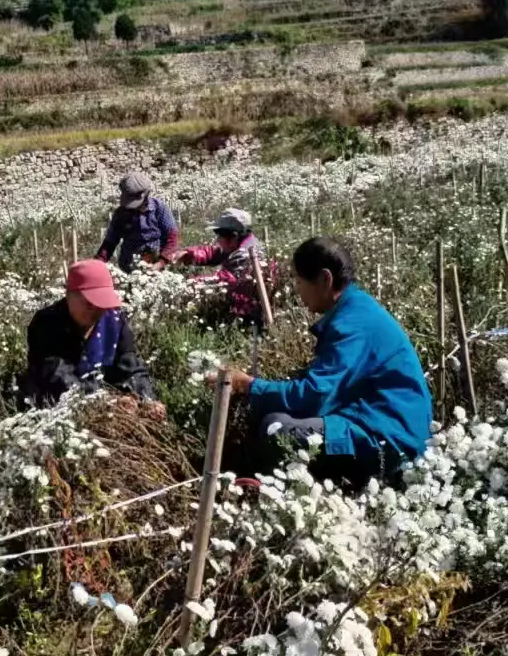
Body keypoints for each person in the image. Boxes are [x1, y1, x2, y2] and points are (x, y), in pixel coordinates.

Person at [214, 236, 431, 488]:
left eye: (299, 280)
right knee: (275, 419)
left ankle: (285, 494)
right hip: (383, 424)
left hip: (388, 438)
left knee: (276, 429)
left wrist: (250, 385)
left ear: (325, 279)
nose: (297, 289)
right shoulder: (357, 309)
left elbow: (314, 396)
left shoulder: (351, 325)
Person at [23, 260, 162, 415]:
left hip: (110, 405)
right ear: (69, 295)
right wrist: (104, 400)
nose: (96, 310)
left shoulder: (115, 321)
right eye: (89, 303)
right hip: (59, 410)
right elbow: (57, 375)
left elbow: (131, 365)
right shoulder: (46, 324)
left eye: (101, 304)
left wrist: (146, 399)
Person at [174, 208, 276, 328]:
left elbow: (219, 281)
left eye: (219, 235)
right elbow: (216, 253)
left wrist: (183, 284)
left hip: (247, 319)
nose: (217, 239)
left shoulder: (244, 256)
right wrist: (189, 254)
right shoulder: (245, 242)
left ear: (234, 236)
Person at [98, 172, 179, 271]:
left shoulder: (159, 208)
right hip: (129, 264)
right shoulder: (121, 214)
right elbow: (110, 242)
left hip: (157, 263)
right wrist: (98, 263)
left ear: (146, 195)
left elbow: (172, 238)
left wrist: (161, 262)